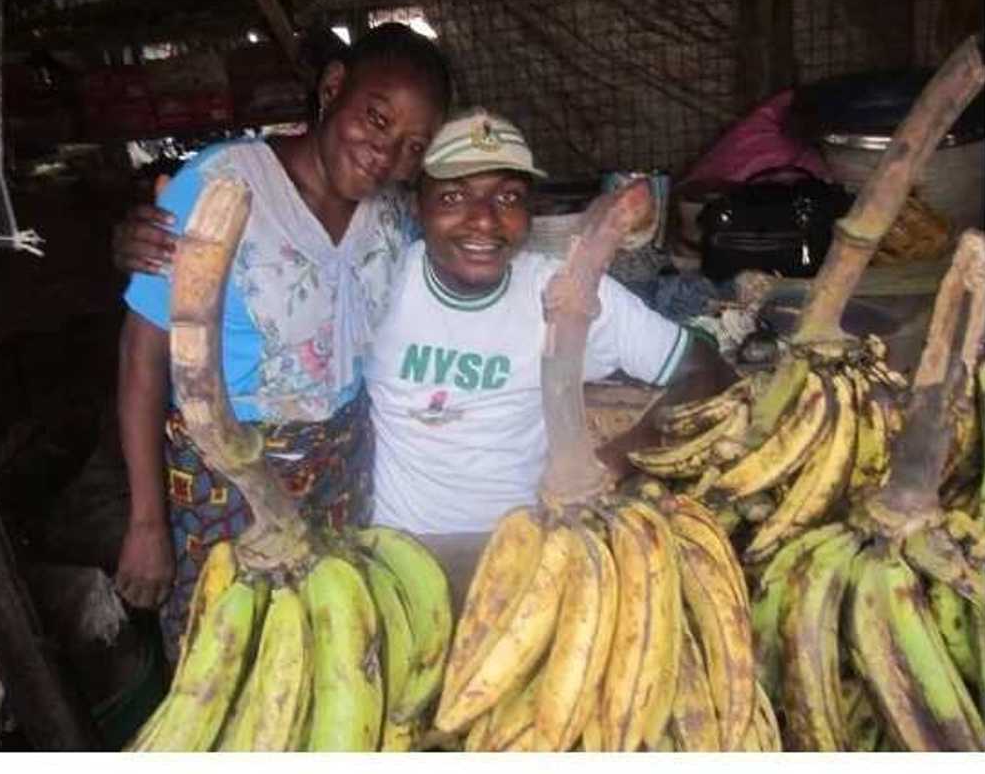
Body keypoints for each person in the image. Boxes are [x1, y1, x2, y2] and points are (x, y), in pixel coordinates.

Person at [116, 106, 736, 610]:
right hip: (392, 558)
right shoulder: (377, 275)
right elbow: (271, 274)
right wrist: (148, 239)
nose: (483, 221)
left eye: (508, 196)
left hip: (529, 549)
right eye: (454, 196)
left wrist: (618, 455)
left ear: (531, 211)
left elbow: (705, 370)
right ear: (416, 206)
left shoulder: (567, 291)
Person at [114, 22, 452, 664]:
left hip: (345, 467)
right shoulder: (223, 185)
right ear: (332, 88)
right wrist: (146, 521)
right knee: (226, 658)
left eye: (414, 146)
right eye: (377, 120)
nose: (388, 155)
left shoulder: (394, 218)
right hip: (226, 474)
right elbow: (141, 353)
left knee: (331, 652)